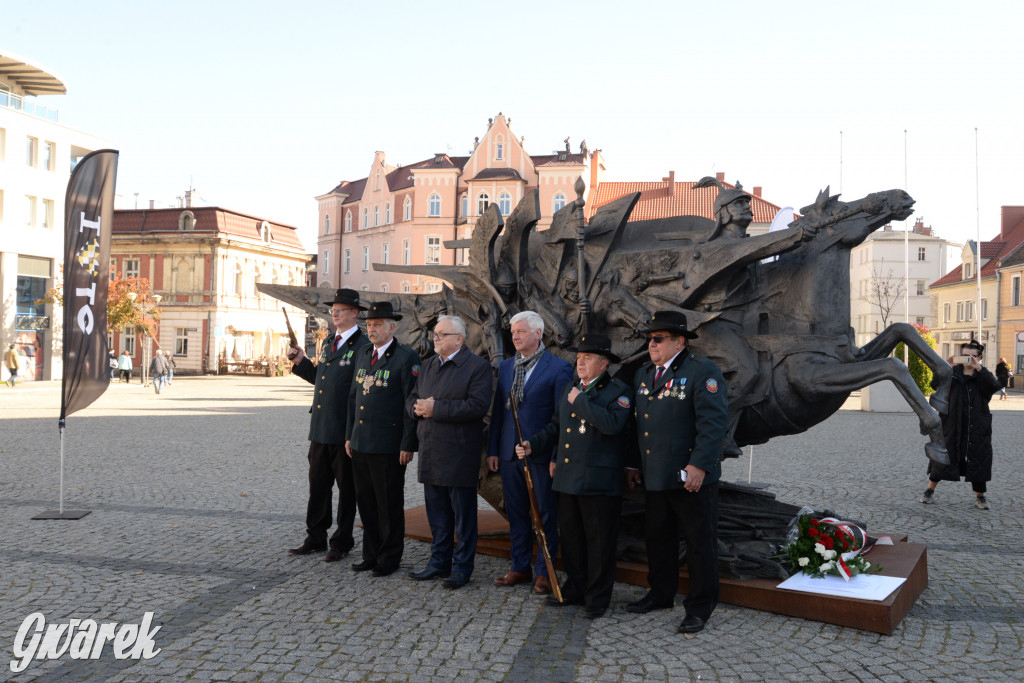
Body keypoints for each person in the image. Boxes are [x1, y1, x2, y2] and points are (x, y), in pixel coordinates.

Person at [516, 333, 633, 619]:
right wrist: (533, 444)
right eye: (578, 358)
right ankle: (576, 589)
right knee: (572, 540)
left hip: (599, 482)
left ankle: (597, 598)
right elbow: (557, 426)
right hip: (569, 478)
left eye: (587, 358)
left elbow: (612, 424)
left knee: (599, 544)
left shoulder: (618, 392)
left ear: (604, 363)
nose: (580, 363)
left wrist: (580, 401)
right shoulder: (572, 387)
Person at [625, 310, 728, 635]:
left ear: (680, 341)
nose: (651, 344)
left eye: (658, 339)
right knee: (659, 538)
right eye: (650, 339)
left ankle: (699, 607)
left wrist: (699, 465)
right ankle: (660, 593)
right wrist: (633, 464)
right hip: (656, 474)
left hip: (690, 477)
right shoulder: (644, 374)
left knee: (699, 543)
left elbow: (713, 424)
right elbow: (639, 426)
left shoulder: (702, 371)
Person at [487, 310, 573, 595]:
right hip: (509, 453)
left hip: (540, 455)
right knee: (516, 514)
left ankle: (544, 571)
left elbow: (561, 418)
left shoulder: (558, 368)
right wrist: (494, 449)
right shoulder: (507, 367)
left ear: (538, 333)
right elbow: (499, 413)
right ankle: (520, 566)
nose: (515, 336)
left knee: (544, 515)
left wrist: (555, 456)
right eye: (513, 332)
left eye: (521, 331)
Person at [406, 315, 493, 589]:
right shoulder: (427, 365)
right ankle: (439, 562)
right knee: (437, 514)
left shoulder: (477, 367)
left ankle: (462, 567)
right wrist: (417, 408)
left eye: (442, 334)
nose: (436, 338)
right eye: (435, 333)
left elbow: (477, 407)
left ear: (459, 339)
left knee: (462, 517)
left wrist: (437, 409)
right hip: (430, 450)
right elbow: (411, 397)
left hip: (459, 453)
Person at [287, 289, 370, 561]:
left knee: (347, 491)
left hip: (344, 431)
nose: (334, 313)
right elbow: (321, 379)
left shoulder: (362, 346)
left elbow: (360, 392)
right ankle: (315, 537)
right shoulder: (329, 342)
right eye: (333, 309)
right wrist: (301, 362)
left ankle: (342, 542)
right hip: (321, 429)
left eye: (340, 309)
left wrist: (354, 432)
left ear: (355, 313)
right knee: (318, 487)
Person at [345, 301, 420, 577]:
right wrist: (349, 436)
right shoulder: (364, 354)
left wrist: (408, 444)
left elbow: (410, 404)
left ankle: (389, 557)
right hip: (361, 442)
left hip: (388, 445)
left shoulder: (406, 357)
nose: (371, 329)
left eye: (377, 324)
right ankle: (371, 554)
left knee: (388, 504)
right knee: (365, 502)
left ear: (392, 327)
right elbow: (353, 398)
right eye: (369, 324)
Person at [921, 340, 1001, 510]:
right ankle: (929, 490)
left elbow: (994, 387)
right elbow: (934, 385)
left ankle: (980, 496)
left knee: (978, 458)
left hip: (976, 425)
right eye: (964, 355)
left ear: (979, 357)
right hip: (951, 423)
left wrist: (979, 369)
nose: (968, 359)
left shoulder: (982, 375)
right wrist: (944, 368)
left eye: (972, 356)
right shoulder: (952, 373)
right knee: (942, 457)